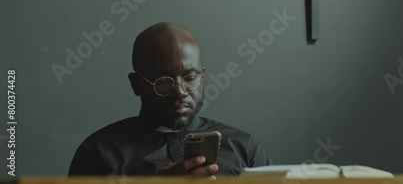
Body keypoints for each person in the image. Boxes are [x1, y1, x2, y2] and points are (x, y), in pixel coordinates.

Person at [68, 22, 272, 177]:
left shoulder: (246, 150)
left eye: (190, 78)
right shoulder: (99, 153)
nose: (180, 92)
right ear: (136, 84)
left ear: (203, 76)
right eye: (163, 82)